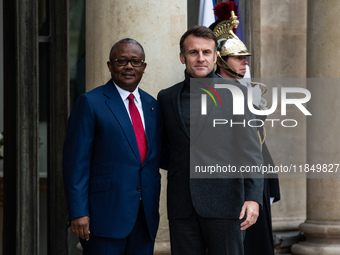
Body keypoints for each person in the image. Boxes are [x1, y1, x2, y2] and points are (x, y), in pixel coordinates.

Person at [157, 25, 264, 255]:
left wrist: (254, 198)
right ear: (182, 57)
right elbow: (164, 148)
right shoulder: (166, 98)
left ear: (216, 57)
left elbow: (252, 152)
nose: (200, 58)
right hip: (182, 206)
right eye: (193, 52)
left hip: (227, 205)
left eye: (206, 52)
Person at [63, 38, 162, 255]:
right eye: (121, 61)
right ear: (110, 66)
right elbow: (76, 163)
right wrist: (78, 212)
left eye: (135, 62)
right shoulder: (90, 102)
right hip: (104, 217)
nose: (129, 67)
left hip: (144, 218)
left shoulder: (152, 105)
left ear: (143, 67)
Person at [209, 2, 281, 254]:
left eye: (245, 58)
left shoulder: (248, 92)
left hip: (253, 180)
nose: (245, 64)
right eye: (238, 58)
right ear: (220, 59)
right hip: (228, 184)